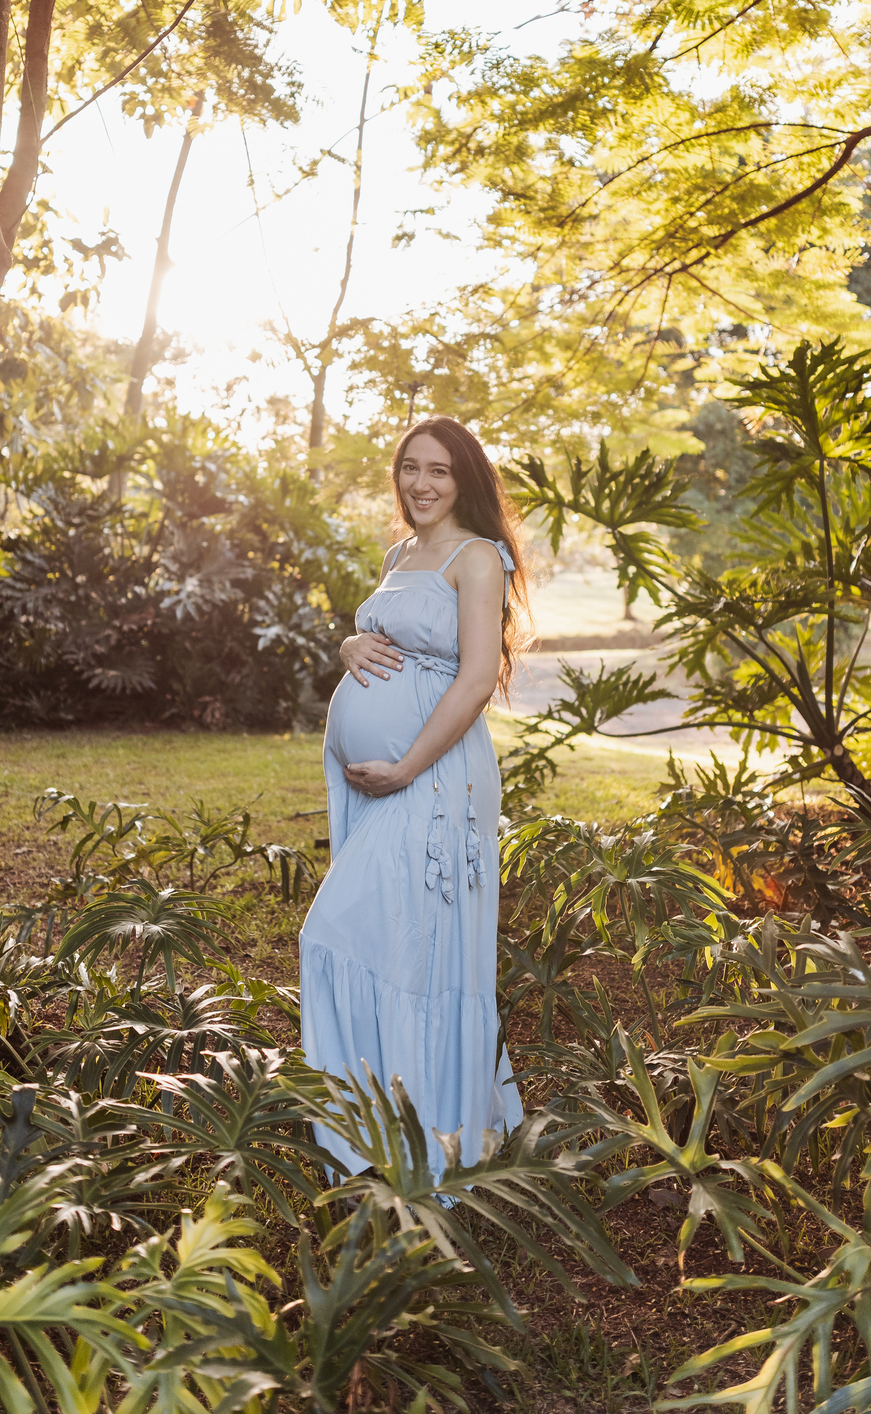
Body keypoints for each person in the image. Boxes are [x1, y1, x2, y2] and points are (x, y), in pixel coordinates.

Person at [299, 416, 527, 1179]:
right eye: (409, 468)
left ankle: (429, 1133)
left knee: (358, 935)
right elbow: (384, 637)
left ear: (464, 479)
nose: (421, 484)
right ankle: (374, 1128)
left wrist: (405, 768)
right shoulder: (402, 552)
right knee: (390, 938)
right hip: (382, 785)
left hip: (435, 782)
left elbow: (473, 681)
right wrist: (347, 645)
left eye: (438, 471)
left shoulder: (478, 559)